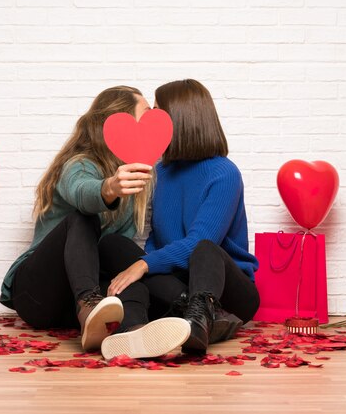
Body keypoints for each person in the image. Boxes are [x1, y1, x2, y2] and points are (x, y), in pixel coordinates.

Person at [0, 86, 190, 356]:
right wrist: (109, 188)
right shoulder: (78, 165)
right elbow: (82, 192)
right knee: (82, 219)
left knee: (121, 258)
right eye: (146, 114)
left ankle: (135, 333)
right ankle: (90, 305)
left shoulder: (139, 175)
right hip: (38, 295)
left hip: (74, 309)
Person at [101, 79, 260, 355]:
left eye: (159, 114)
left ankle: (202, 316)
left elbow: (199, 242)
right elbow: (156, 240)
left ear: (181, 119)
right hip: (179, 286)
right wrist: (144, 262)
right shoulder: (162, 172)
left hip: (227, 291)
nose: (152, 122)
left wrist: (144, 265)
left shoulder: (224, 173)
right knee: (112, 245)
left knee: (205, 248)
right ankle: (164, 325)